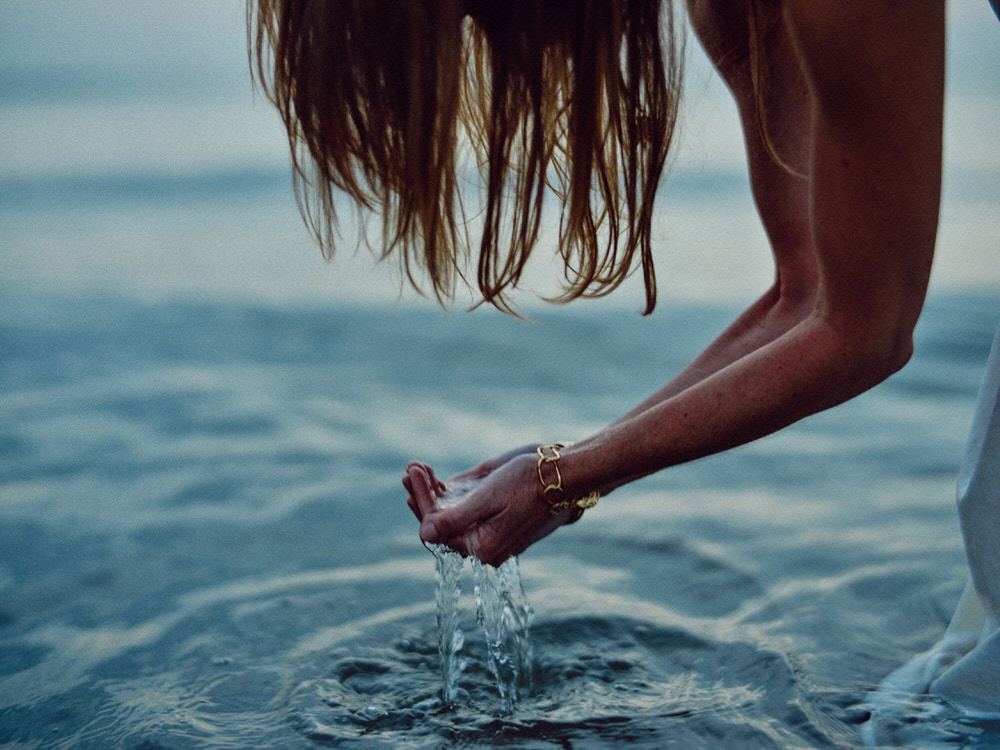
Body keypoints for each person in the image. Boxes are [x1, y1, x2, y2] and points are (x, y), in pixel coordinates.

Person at [251, 0, 999, 717]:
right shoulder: (729, 7)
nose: (489, 40)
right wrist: (571, 472)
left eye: (473, 11)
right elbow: (805, 296)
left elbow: (868, 329)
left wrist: (562, 478)